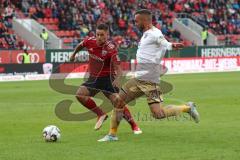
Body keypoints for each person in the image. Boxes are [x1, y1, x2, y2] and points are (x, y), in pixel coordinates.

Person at [98, 9, 200, 142]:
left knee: (154, 112)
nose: (135, 23)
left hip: (148, 80)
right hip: (141, 78)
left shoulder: (154, 33)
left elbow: (164, 42)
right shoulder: (146, 34)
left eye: (136, 20)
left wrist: (172, 45)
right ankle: (112, 134)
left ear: (144, 20)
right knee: (123, 103)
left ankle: (187, 108)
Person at [70, 23, 142, 134]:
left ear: (107, 35)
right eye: (97, 34)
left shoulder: (110, 49)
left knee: (119, 103)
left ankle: (134, 126)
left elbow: (118, 67)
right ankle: (100, 114)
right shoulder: (90, 41)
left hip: (107, 80)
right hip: (94, 79)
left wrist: (118, 79)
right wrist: (73, 54)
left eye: (102, 35)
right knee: (79, 95)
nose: (99, 37)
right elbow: (81, 44)